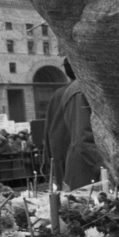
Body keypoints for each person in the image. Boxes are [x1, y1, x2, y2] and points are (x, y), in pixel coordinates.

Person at [43, 59, 103, 190]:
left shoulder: (81, 89)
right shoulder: (79, 90)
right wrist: (103, 168)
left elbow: (51, 135)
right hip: (87, 171)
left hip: (81, 166)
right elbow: (82, 137)